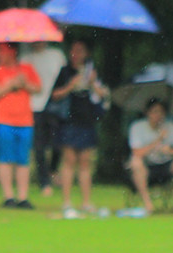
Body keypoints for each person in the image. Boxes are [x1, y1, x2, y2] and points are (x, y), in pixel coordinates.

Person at [50, 40, 109, 218]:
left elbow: (103, 96)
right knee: (69, 160)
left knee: (85, 162)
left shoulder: (93, 72)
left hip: (87, 121)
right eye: (74, 50)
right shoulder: (65, 71)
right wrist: (71, 85)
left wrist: (92, 83)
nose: (76, 54)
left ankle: (86, 202)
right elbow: (55, 95)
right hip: (69, 120)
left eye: (80, 50)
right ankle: (67, 202)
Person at [0, 43, 42, 209]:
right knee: (5, 157)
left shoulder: (26, 69)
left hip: (24, 120)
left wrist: (24, 83)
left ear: (12, 52)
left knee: (22, 159)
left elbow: (38, 88)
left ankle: (23, 196)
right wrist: (10, 85)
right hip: (4, 120)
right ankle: (8, 196)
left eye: (2, 51)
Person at [128, 98, 173, 215]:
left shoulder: (171, 126)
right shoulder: (137, 127)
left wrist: (169, 151)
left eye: (161, 112)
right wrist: (158, 141)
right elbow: (137, 153)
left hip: (167, 165)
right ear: (147, 113)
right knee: (135, 162)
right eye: (155, 111)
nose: (158, 115)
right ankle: (148, 204)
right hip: (147, 165)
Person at [21, 42, 67, 197]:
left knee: (57, 143)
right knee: (39, 146)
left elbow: (63, 77)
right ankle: (44, 181)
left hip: (53, 104)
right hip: (33, 105)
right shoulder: (26, 58)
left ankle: (53, 170)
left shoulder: (56, 55)